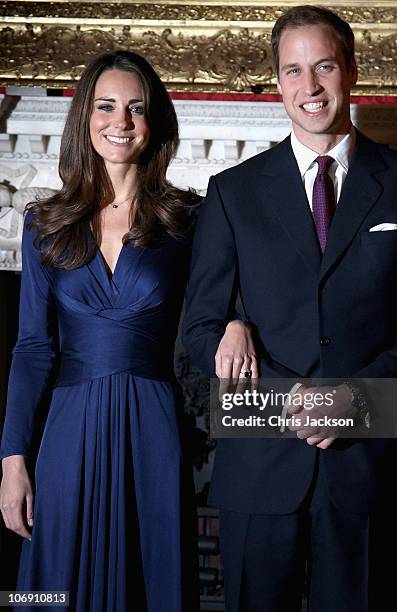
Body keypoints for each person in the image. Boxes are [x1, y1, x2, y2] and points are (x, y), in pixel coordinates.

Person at [182, 5, 397, 612]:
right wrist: (251, 352)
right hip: (260, 456)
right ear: (278, 82)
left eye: (324, 66)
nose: (310, 88)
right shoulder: (234, 192)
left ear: (351, 70)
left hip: (374, 462)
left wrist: (352, 399)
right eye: (293, 71)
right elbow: (198, 331)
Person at [0, 50, 255, 611]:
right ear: (84, 119)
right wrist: (13, 459)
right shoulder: (44, 225)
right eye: (106, 106)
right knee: (53, 584)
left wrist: (236, 320)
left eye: (136, 108)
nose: (121, 122)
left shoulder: (189, 219)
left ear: (154, 121)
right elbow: (32, 349)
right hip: (67, 431)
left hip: (152, 424)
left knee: (151, 576)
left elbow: (228, 299)